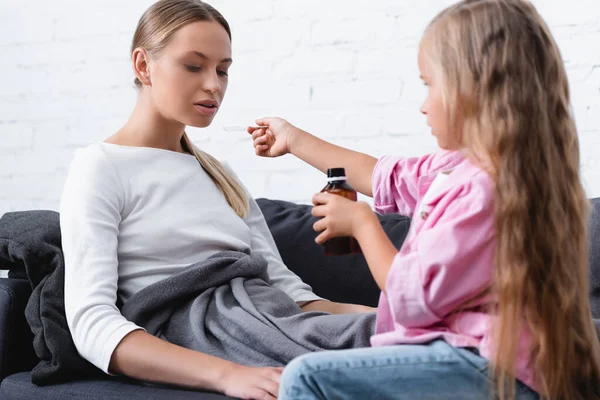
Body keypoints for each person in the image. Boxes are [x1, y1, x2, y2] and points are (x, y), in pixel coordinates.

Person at [248, 0, 600, 398]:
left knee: (306, 377)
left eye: (430, 85)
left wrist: (364, 225)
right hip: (480, 361)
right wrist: (292, 139)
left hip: (489, 370)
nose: (423, 104)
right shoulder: (466, 169)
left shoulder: (484, 188)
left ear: (475, 88)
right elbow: (380, 174)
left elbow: (412, 300)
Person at [59, 1, 372, 399]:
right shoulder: (100, 167)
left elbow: (293, 297)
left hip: (268, 319)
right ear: (143, 65)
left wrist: (389, 319)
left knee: (414, 334)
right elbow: (92, 322)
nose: (214, 85)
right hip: (210, 336)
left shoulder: (219, 173)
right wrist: (227, 375)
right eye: (194, 66)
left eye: (223, 70)